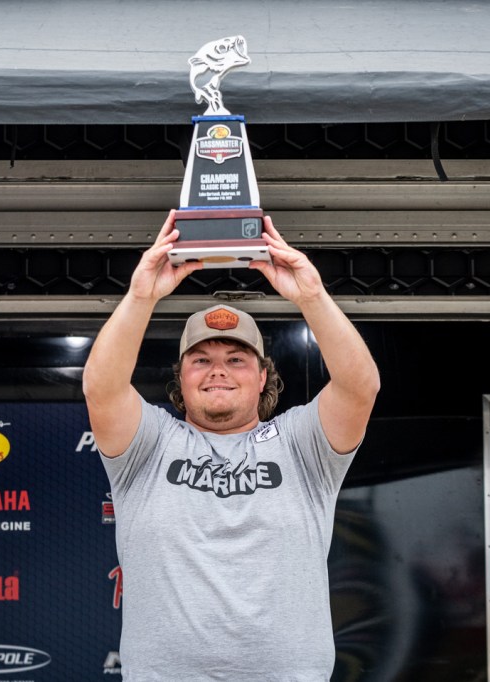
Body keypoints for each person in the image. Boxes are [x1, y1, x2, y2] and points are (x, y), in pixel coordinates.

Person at [83, 210, 380, 681]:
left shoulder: (302, 444)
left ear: (262, 377)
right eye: (200, 359)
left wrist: (311, 296)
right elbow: (102, 388)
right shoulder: (150, 444)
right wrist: (141, 296)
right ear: (181, 377)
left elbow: (360, 387)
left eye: (236, 359)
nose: (218, 369)